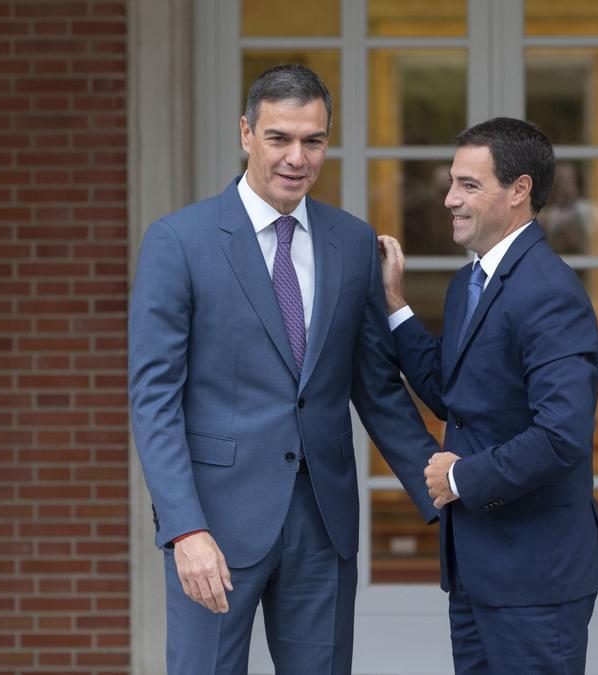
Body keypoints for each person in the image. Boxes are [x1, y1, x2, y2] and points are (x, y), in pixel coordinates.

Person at [128, 64, 440, 673]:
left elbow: (373, 386)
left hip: (322, 526)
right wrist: (184, 529)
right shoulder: (179, 241)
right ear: (247, 133)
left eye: (313, 140)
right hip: (214, 528)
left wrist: (443, 485)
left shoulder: (351, 243)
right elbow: (154, 400)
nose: (297, 157)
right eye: (280, 138)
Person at [378, 117, 598, 673]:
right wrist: (395, 304)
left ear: (519, 190)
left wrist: (459, 478)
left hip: (535, 575)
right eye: (450, 183)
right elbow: (449, 390)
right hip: (476, 566)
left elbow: (562, 436)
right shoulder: (468, 284)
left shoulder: (550, 292)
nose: (448, 200)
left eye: (468, 185)